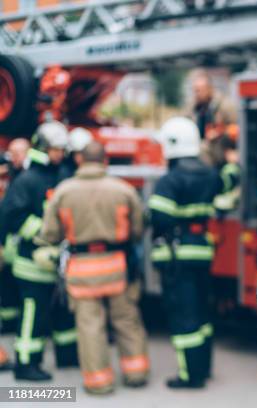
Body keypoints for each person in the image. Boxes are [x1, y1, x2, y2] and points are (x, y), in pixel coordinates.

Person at [38, 141, 149, 394]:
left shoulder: (64, 191)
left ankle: (99, 382)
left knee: (90, 326)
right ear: (105, 161)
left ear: (80, 160)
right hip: (118, 266)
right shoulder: (122, 190)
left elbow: (50, 233)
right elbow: (138, 229)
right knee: (126, 320)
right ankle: (136, 373)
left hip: (82, 269)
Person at [148, 117, 223, 389]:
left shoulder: (170, 180)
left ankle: (189, 376)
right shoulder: (210, 174)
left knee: (184, 316)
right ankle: (203, 368)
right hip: (202, 251)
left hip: (177, 257)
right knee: (202, 313)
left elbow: (159, 218)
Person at [2, 122, 79, 381]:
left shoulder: (61, 175)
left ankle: (68, 356)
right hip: (33, 260)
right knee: (33, 313)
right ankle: (26, 364)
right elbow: (11, 217)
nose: (59, 154)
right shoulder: (27, 180)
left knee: (63, 311)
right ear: (43, 148)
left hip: (60, 259)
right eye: (55, 149)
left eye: (61, 150)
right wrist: (44, 235)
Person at [0, 138, 30, 336]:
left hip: (20, 245)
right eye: (12, 152)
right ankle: (9, 323)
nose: (14, 157)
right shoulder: (11, 175)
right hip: (7, 244)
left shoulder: (27, 177)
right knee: (6, 287)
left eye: (18, 152)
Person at [191, 69, 238, 140]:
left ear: (209, 89)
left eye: (199, 90)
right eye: (195, 91)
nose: (197, 94)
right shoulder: (195, 107)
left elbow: (238, 128)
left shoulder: (224, 105)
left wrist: (219, 131)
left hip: (221, 148)